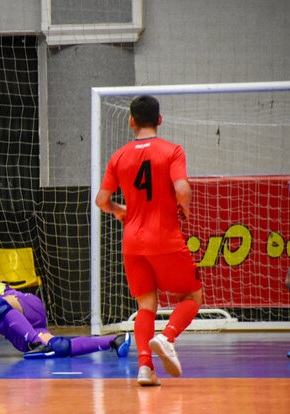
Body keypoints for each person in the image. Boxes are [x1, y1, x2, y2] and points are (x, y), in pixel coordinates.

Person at [95, 95, 203, 386]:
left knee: (145, 304)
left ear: (131, 121)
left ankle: (145, 368)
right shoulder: (172, 151)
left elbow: (102, 200)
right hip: (165, 238)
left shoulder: (119, 156)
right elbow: (182, 187)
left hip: (132, 242)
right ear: (160, 119)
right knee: (192, 297)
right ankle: (167, 338)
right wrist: (185, 207)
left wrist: (119, 211)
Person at [0, 250, 131, 359]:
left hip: (27, 306)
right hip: (19, 331)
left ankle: (36, 342)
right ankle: (115, 341)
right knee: (59, 347)